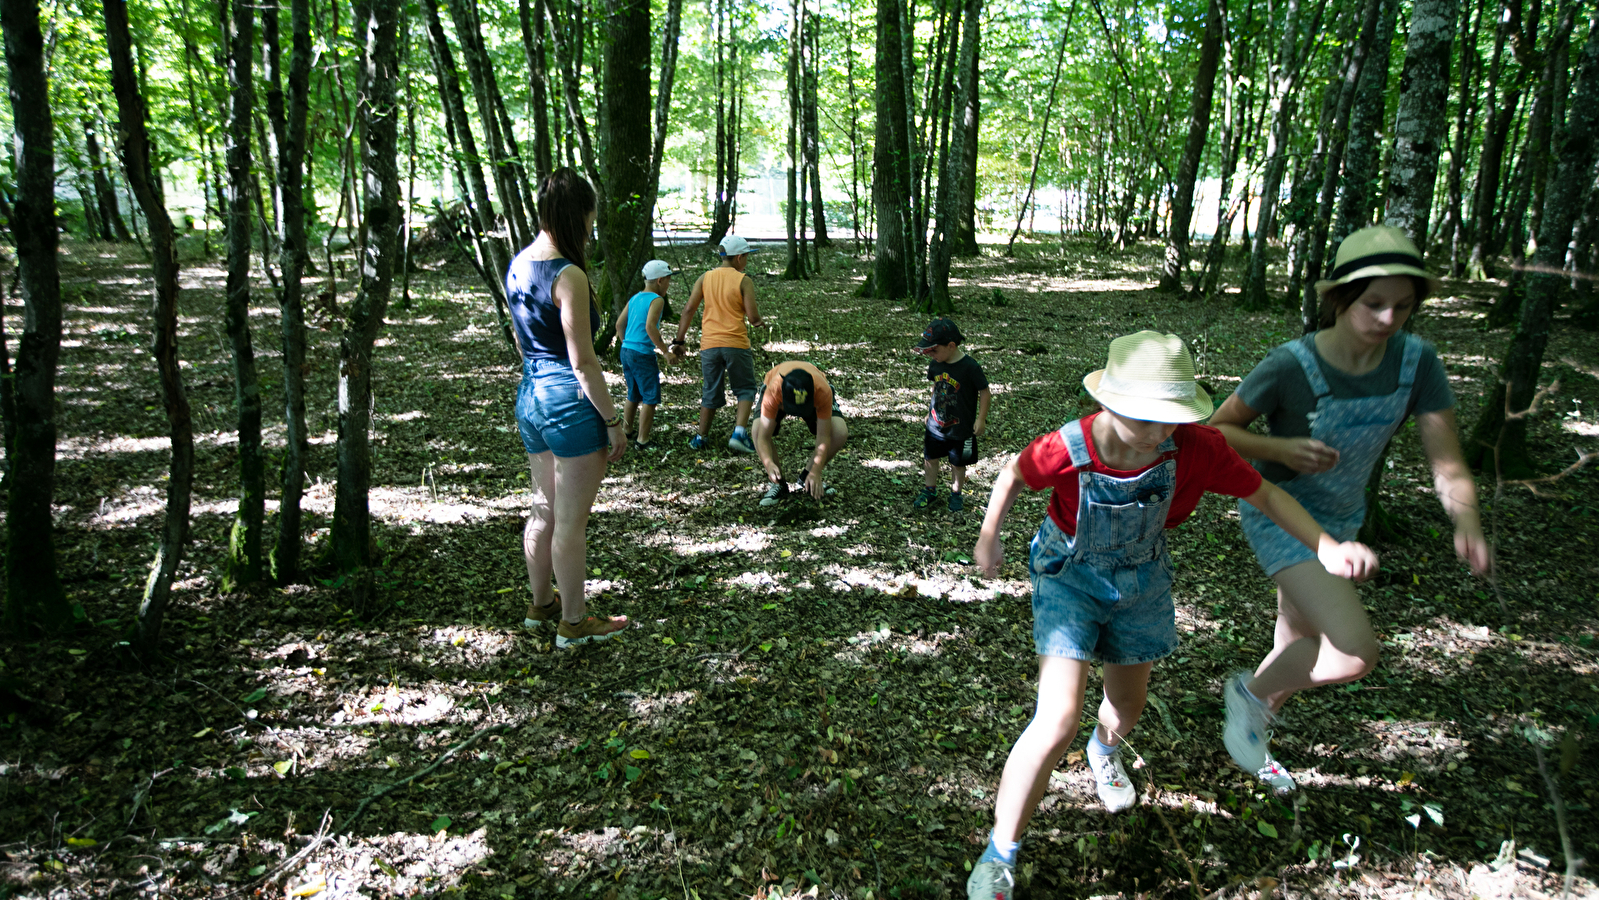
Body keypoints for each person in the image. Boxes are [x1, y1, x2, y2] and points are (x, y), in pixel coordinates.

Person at [965, 331, 1379, 900]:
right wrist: (990, 537)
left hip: (1142, 583)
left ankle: (1104, 751)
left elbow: (1267, 495)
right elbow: (1012, 475)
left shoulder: (1197, 447)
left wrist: (1326, 545)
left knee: (1126, 707)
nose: (1163, 433)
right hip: (1069, 576)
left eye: (1173, 419)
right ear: (1107, 403)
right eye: (1148, 419)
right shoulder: (1067, 446)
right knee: (1056, 716)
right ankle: (1000, 854)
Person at [1209, 225, 1491, 792]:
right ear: (1340, 299)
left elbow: (1448, 461)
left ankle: (1255, 736)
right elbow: (1216, 429)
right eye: (1374, 304)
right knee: (1354, 651)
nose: (1388, 319)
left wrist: (1467, 521)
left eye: (1403, 306)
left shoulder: (1418, 364)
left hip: (1343, 516)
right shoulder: (1291, 364)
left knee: (1294, 640)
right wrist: (1278, 448)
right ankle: (1249, 696)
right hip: (1279, 510)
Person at [509, 168, 630, 648]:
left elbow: (523, 345)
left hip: (531, 398)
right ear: (577, 214)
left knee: (543, 511)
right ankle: (574, 624)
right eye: (590, 216)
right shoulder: (568, 274)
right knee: (570, 523)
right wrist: (613, 420)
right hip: (569, 404)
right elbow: (582, 361)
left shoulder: (518, 264)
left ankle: (541, 607)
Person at [671, 234, 765, 453]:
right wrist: (760, 322)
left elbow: (688, 310)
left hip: (710, 345)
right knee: (745, 388)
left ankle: (701, 436)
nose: (747, 261)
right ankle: (739, 434)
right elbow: (752, 317)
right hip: (736, 343)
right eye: (747, 257)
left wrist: (679, 340)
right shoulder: (744, 280)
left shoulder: (705, 278)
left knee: (710, 390)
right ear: (739, 257)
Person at [911, 318, 989, 512]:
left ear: (951, 345)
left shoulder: (970, 367)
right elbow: (936, 387)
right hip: (936, 425)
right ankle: (930, 490)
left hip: (961, 428)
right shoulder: (936, 364)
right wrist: (930, 411)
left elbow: (985, 391)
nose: (931, 354)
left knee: (958, 463)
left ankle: (956, 494)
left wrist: (981, 419)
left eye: (934, 350)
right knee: (930, 458)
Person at [752, 360, 849, 506]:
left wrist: (816, 470)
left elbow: (824, 436)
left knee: (840, 432)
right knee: (756, 430)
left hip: (816, 393)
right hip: (776, 392)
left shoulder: (822, 391)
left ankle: (807, 478)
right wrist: (768, 464)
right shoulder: (773, 391)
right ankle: (778, 483)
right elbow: (762, 437)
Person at [615, 259, 678, 451]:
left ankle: (627, 429)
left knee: (633, 393)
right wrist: (666, 352)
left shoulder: (635, 298)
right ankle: (642, 440)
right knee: (650, 397)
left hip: (626, 350)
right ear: (660, 280)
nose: (669, 284)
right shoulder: (657, 300)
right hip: (642, 354)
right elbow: (650, 327)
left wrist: (627, 342)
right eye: (668, 280)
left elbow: (619, 324)